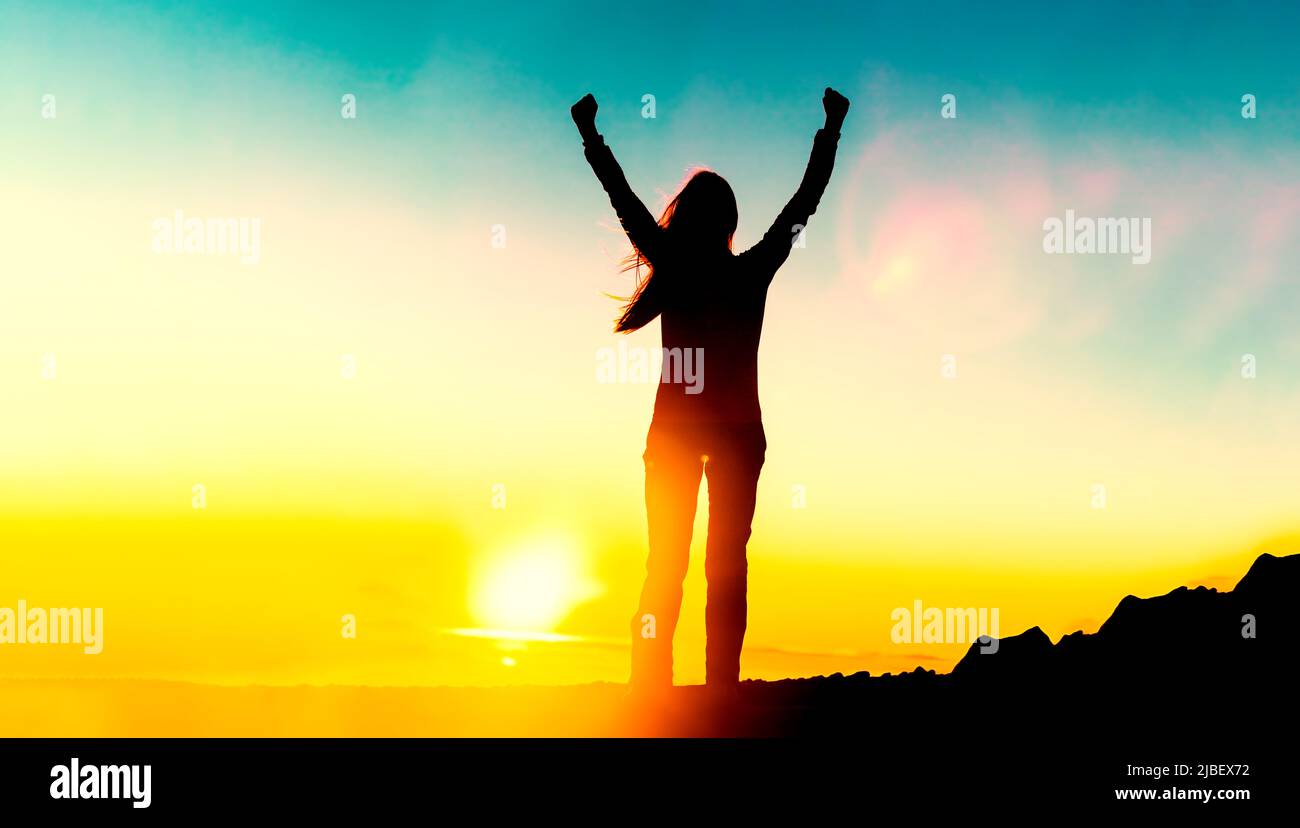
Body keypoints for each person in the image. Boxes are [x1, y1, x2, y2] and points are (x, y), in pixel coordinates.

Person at [572, 88, 849, 699]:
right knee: (719, 567)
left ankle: (656, 694)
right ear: (728, 223)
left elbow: (622, 200)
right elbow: (805, 203)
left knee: (670, 566)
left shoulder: (673, 263)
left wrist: (592, 136)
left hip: (685, 439)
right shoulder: (747, 270)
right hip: (728, 438)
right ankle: (714, 690)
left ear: (694, 218)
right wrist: (829, 128)